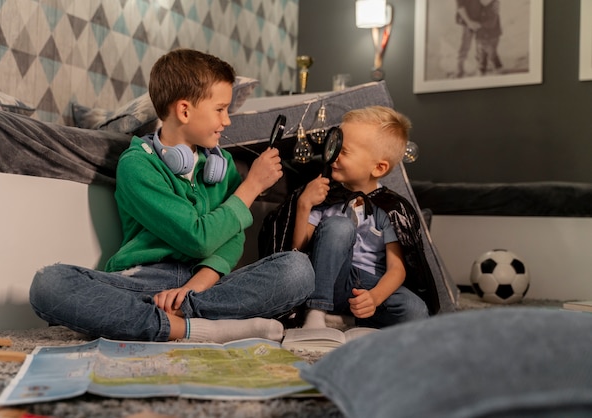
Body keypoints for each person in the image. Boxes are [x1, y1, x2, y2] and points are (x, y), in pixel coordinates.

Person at [30, 49, 314, 343]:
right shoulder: (138, 165)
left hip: (207, 284)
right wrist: (251, 186)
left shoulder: (222, 164)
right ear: (184, 110)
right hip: (144, 283)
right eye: (220, 109)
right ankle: (197, 329)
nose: (226, 121)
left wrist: (196, 288)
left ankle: (163, 319)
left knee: (298, 270)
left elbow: (234, 236)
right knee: (49, 284)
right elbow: (197, 238)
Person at [291, 106, 429, 329]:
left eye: (344, 152)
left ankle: (346, 320)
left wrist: (374, 298)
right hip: (330, 277)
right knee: (339, 226)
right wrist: (304, 204)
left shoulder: (388, 208)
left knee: (416, 311)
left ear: (378, 167)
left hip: (368, 285)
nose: (334, 156)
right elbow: (298, 249)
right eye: (334, 147)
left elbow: (397, 269)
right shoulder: (326, 196)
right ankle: (316, 312)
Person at [455, 0, 482, 78]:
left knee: (481, 45)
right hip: (467, 22)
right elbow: (460, 7)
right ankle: (460, 69)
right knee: (465, 45)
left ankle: (481, 67)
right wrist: (469, 22)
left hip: (480, 20)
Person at [475, 0, 503, 75]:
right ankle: (482, 68)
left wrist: (479, 24)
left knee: (491, 52)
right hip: (481, 33)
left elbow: (492, 22)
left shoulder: (494, 5)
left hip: (492, 33)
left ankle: (497, 67)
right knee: (482, 52)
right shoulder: (477, 4)